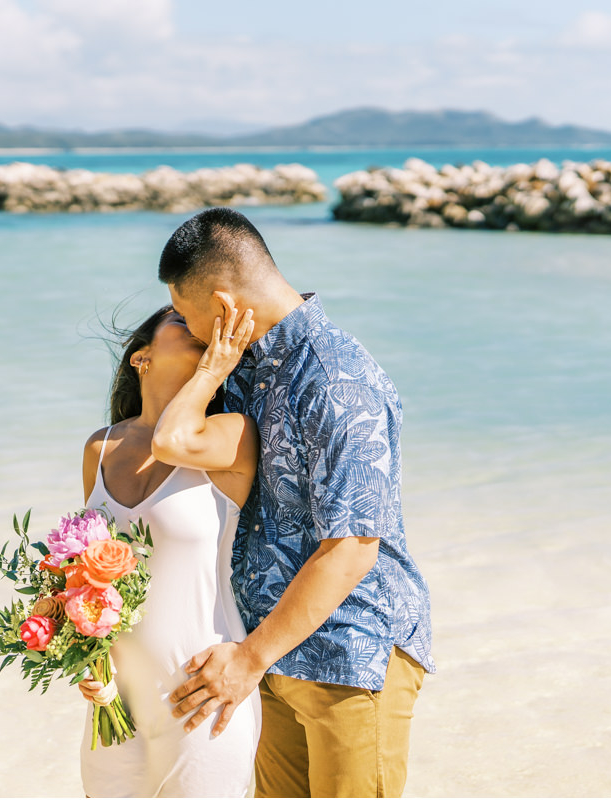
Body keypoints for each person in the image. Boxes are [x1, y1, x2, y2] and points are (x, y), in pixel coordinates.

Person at [160, 207, 436, 798]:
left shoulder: (337, 379)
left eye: (187, 315)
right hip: (271, 657)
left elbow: (354, 546)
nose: (188, 330)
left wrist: (247, 659)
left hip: (349, 653)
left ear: (221, 298)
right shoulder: (242, 368)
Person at [76, 304, 263, 797]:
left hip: (202, 696)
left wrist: (212, 370)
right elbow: (86, 577)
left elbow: (172, 439)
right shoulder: (102, 448)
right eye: (182, 323)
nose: (199, 330)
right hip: (115, 704)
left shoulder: (230, 437)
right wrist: (84, 659)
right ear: (141, 357)